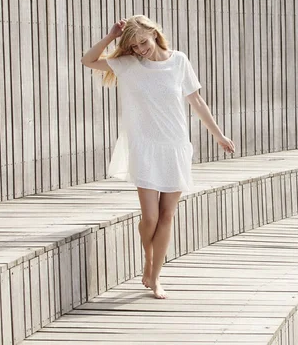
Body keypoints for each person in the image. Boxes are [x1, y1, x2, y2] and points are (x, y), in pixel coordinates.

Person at [81, 15, 235, 299]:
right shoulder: (128, 65)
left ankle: (155, 276)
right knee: (150, 217)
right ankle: (149, 260)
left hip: (175, 146)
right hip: (145, 148)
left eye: (143, 42)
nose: (141, 49)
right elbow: (89, 60)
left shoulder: (179, 62)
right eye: (135, 45)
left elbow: (197, 101)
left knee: (167, 215)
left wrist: (218, 135)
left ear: (154, 33)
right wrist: (110, 36)